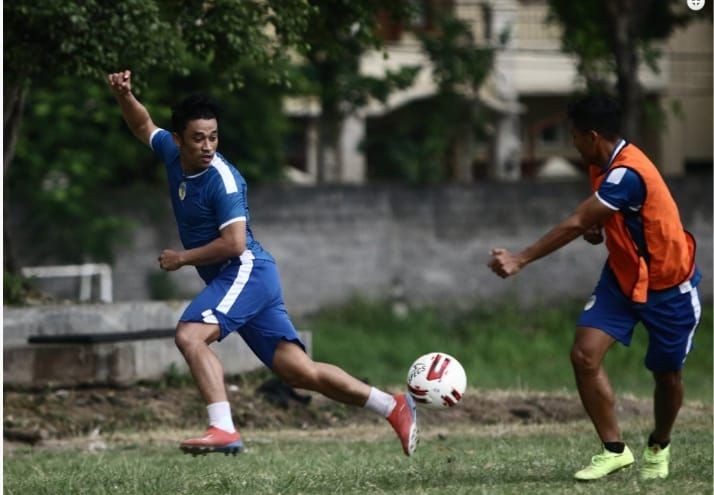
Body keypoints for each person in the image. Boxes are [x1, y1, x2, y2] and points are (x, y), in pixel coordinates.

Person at [107, 70, 418, 457]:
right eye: (199, 138)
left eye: (214, 137)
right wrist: (124, 95)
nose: (207, 146)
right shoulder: (171, 152)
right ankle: (393, 406)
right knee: (298, 372)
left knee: (189, 335)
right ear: (178, 140)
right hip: (244, 279)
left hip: (246, 272)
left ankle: (222, 427)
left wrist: (183, 258)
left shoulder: (224, 180)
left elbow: (235, 244)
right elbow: (142, 125)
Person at [488, 94, 702, 481]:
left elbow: (574, 222)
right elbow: (610, 218)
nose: (571, 142)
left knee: (667, 376)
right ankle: (614, 450)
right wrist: (601, 228)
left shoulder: (626, 173)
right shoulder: (603, 163)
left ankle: (660, 444)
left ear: (591, 135)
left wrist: (520, 258)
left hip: (668, 287)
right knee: (584, 356)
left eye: (572, 135)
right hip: (622, 278)